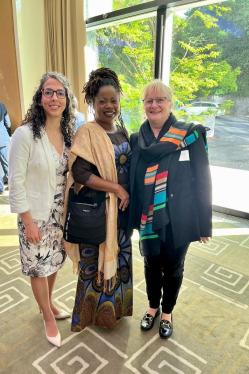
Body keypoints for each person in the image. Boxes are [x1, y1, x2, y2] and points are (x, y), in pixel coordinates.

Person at [129, 80, 212, 339]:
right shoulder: (136, 139)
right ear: (143, 106)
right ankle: (153, 307)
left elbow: (203, 179)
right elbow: (130, 180)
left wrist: (204, 223)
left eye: (160, 99)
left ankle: (167, 312)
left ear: (170, 103)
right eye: (149, 100)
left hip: (181, 217)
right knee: (151, 264)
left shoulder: (190, 135)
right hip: (148, 218)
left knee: (174, 266)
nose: (154, 105)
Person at [8, 72, 76, 347]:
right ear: (39, 98)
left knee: (54, 262)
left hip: (60, 214)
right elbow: (15, 181)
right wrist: (27, 221)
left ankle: (45, 303)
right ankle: (47, 315)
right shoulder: (24, 135)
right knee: (38, 267)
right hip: (34, 214)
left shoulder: (67, 133)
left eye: (60, 93)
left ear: (67, 100)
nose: (54, 98)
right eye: (48, 92)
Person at [64, 67, 132, 332]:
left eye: (113, 100)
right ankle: (88, 315)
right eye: (102, 100)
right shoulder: (88, 133)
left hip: (121, 213)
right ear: (92, 103)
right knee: (92, 265)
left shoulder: (122, 129)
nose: (108, 106)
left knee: (120, 259)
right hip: (97, 213)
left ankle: (113, 311)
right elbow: (79, 173)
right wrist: (115, 188)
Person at [0, 102, 11, 193]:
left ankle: (0, 188)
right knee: (7, 163)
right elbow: (8, 124)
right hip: (3, 139)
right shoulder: (2, 105)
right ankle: (12, 185)